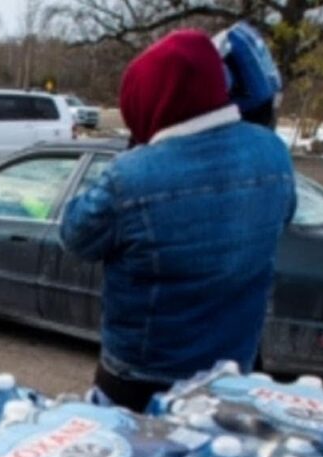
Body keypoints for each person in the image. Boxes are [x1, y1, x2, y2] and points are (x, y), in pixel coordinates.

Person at [59, 29, 296, 412]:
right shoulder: (272, 153)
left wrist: (133, 154)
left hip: (139, 381)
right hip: (232, 375)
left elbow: (75, 236)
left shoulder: (131, 176)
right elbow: (280, 221)